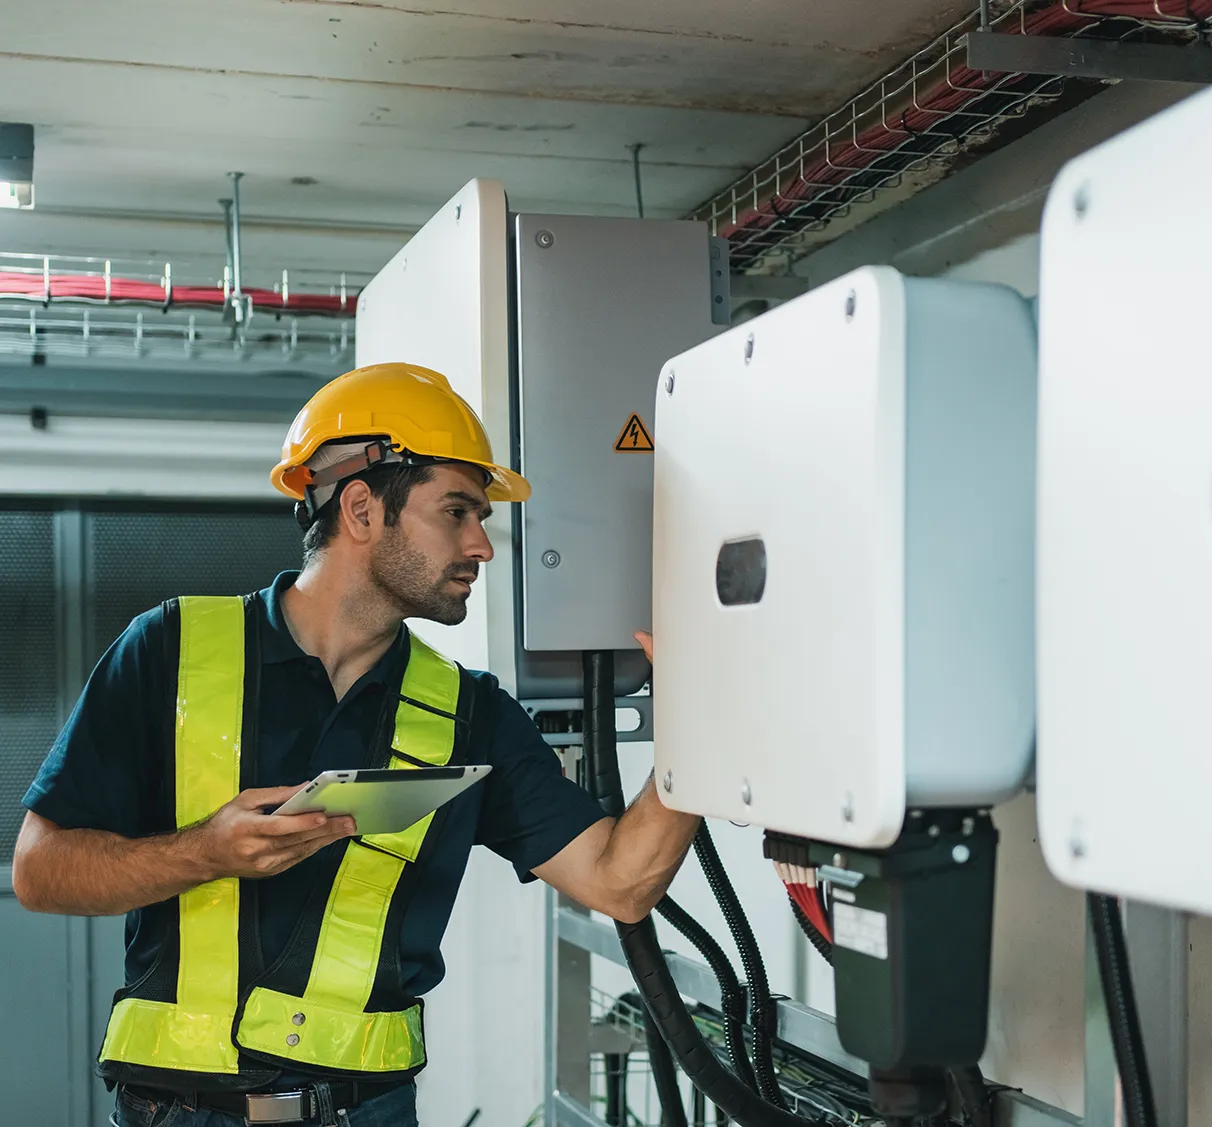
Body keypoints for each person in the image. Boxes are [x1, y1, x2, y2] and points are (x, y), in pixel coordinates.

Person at [12, 362, 698, 1127]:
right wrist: (205, 852)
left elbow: (620, 881)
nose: (483, 544)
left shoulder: (471, 713)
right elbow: (40, 871)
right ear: (363, 508)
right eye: (458, 512)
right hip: (176, 1112)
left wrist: (703, 722)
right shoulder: (169, 648)